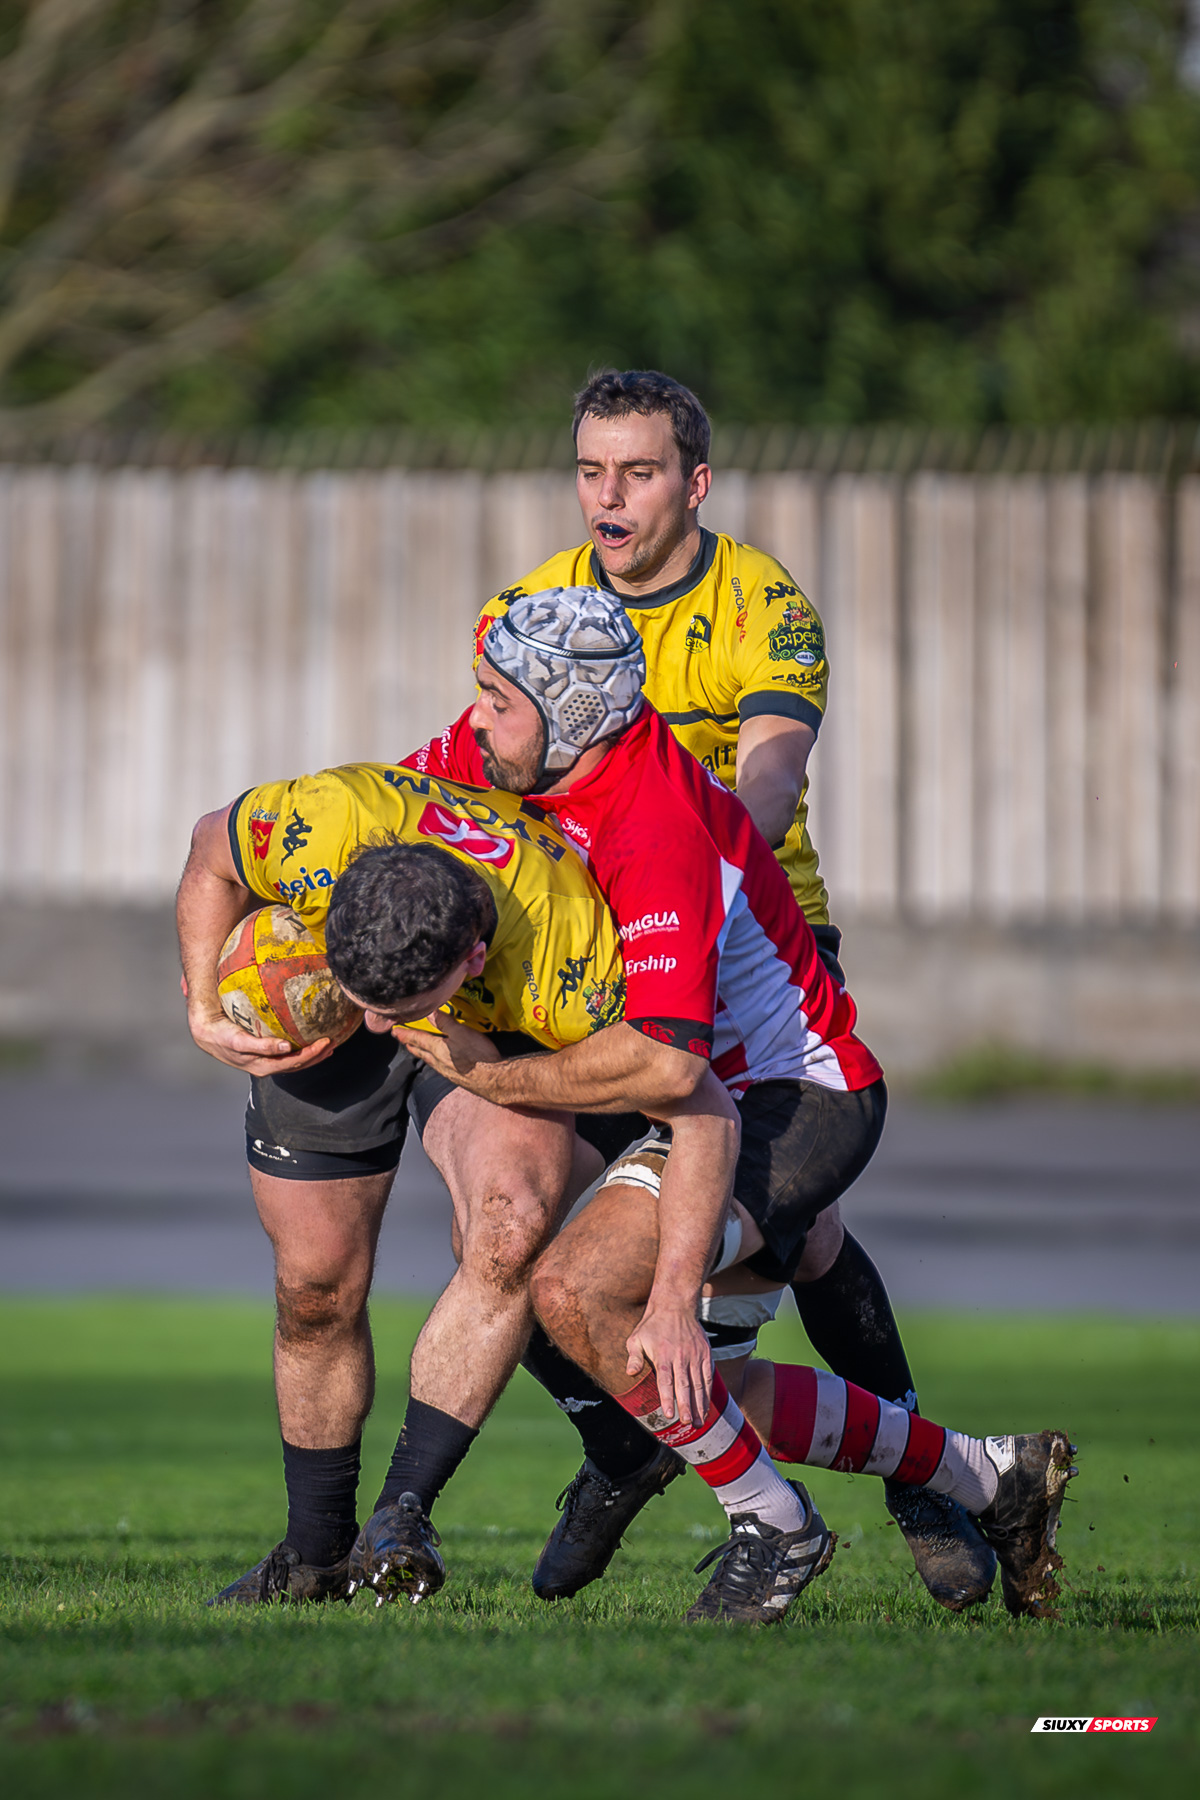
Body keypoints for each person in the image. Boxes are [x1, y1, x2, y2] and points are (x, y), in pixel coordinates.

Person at [444, 368, 990, 1610]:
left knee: (798, 1236)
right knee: (524, 1236)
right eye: (591, 471)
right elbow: (483, 773)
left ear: (694, 483)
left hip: (748, 939)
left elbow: (771, 782)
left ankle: (921, 1484)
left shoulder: (761, 604)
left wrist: (678, 878)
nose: (609, 497)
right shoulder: (535, 605)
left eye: (637, 473)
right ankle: (625, 1448)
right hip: (589, 971)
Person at [177, 760, 736, 1605]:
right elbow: (208, 849)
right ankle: (314, 1555)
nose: (375, 1025)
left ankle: (401, 1514)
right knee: (316, 1287)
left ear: (473, 957)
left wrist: (672, 1294)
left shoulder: (566, 951)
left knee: (512, 1229)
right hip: (327, 1024)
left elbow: (682, 1085)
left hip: (493, 1035)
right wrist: (201, 1007)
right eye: (366, 1001)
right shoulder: (321, 823)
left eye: (390, 1010)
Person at [526, 1132, 1078, 1624]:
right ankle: (988, 1473)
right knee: (714, 1400)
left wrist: (673, 1298)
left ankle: (785, 1516)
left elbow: (678, 1068)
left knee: (568, 1288)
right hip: (705, 1098)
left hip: (744, 1102)